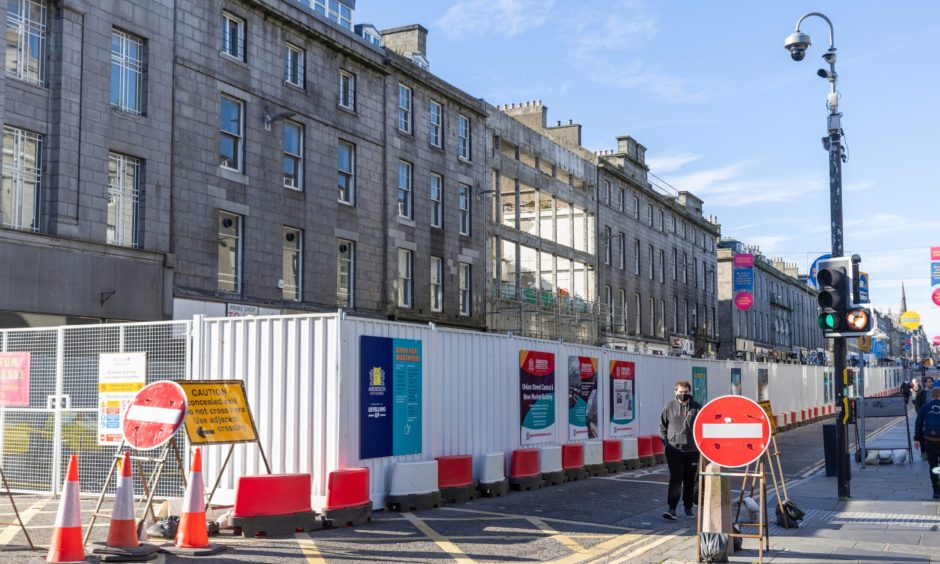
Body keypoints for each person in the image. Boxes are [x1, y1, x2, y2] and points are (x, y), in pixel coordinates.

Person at [659, 380, 701, 520]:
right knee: (676, 479)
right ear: (675, 392)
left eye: (686, 392)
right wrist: (665, 442)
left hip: (693, 451)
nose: (683, 394)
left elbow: (703, 427)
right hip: (674, 450)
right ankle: (672, 509)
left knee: (689, 480)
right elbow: (662, 426)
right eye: (681, 392)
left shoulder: (697, 407)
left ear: (690, 392)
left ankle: (688, 508)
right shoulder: (669, 406)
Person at [913, 387, 940, 499]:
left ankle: (936, 490)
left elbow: (918, 423)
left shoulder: (925, 407)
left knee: (933, 466)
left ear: (931, 396)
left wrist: (917, 439)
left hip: (929, 441)